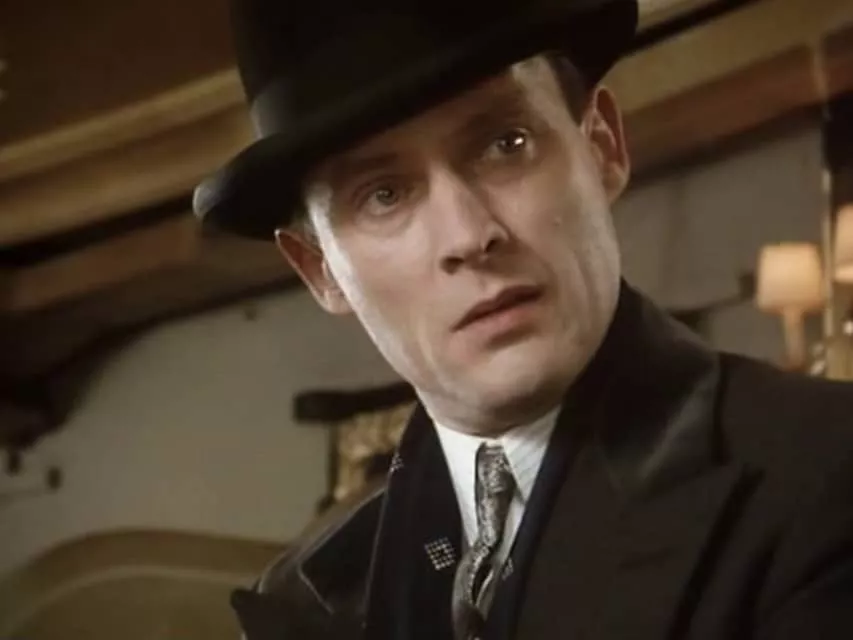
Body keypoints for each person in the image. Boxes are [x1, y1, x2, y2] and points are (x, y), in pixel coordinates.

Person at [193, 0, 853, 638]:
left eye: (505, 144)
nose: (468, 234)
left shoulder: (822, 468)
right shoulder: (303, 597)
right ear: (320, 270)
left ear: (602, 147)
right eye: (384, 195)